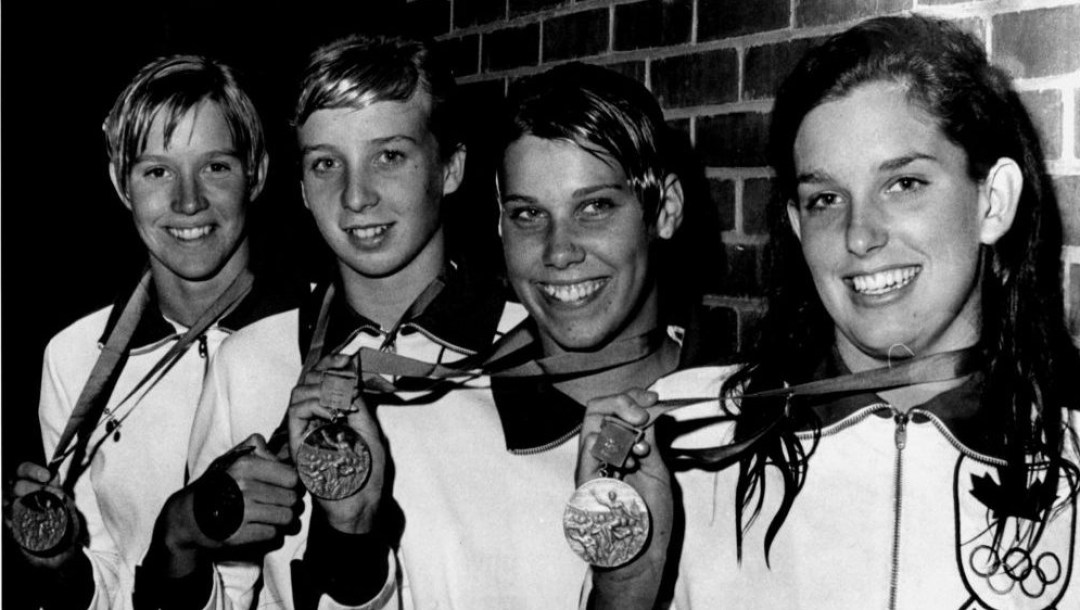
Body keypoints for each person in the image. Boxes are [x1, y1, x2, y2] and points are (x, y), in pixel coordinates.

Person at [585, 14, 1080, 609]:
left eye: (904, 184)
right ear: (797, 227)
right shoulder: (691, 439)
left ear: (992, 201)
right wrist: (628, 586)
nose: (859, 235)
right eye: (825, 199)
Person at [178, 33, 525, 609]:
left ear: (451, 167)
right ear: (303, 190)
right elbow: (229, 595)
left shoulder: (529, 353)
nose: (355, 195)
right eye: (325, 164)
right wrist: (179, 543)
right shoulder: (250, 360)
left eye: (389, 156)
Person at [3, 55, 305, 610]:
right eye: (157, 171)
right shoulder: (75, 357)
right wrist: (64, 565)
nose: (188, 201)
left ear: (256, 173)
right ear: (122, 183)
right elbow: (106, 585)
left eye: (216, 166)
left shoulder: (317, 342)